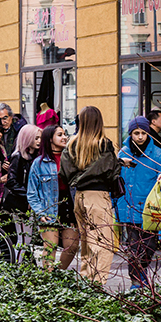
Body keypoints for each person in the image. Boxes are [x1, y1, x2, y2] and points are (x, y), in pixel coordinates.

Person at [117, 116, 161, 289]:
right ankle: (136, 281)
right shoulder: (123, 154)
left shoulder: (157, 153)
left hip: (150, 209)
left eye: (143, 133)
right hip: (129, 207)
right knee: (134, 247)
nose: (140, 137)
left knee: (150, 247)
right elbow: (114, 179)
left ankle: (140, 273)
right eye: (136, 133)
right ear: (130, 134)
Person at [61, 106, 121, 284]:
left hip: (79, 196)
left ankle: (87, 281)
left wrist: (80, 177)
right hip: (97, 196)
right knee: (103, 243)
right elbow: (111, 172)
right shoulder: (104, 144)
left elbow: (64, 173)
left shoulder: (72, 145)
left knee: (87, 243)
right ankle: (97, 284)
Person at [27, 124, 79, 270]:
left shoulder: (71, 159)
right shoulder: (38, 163)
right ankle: (49, 281)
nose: (64, 137)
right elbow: (32, 192)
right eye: (60, 135)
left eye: (64, 134)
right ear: (50, 139)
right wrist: (40, 212)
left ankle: (58, 275)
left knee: (72, 246)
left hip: (69, 208)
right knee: (51, 248)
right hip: (48, 210)